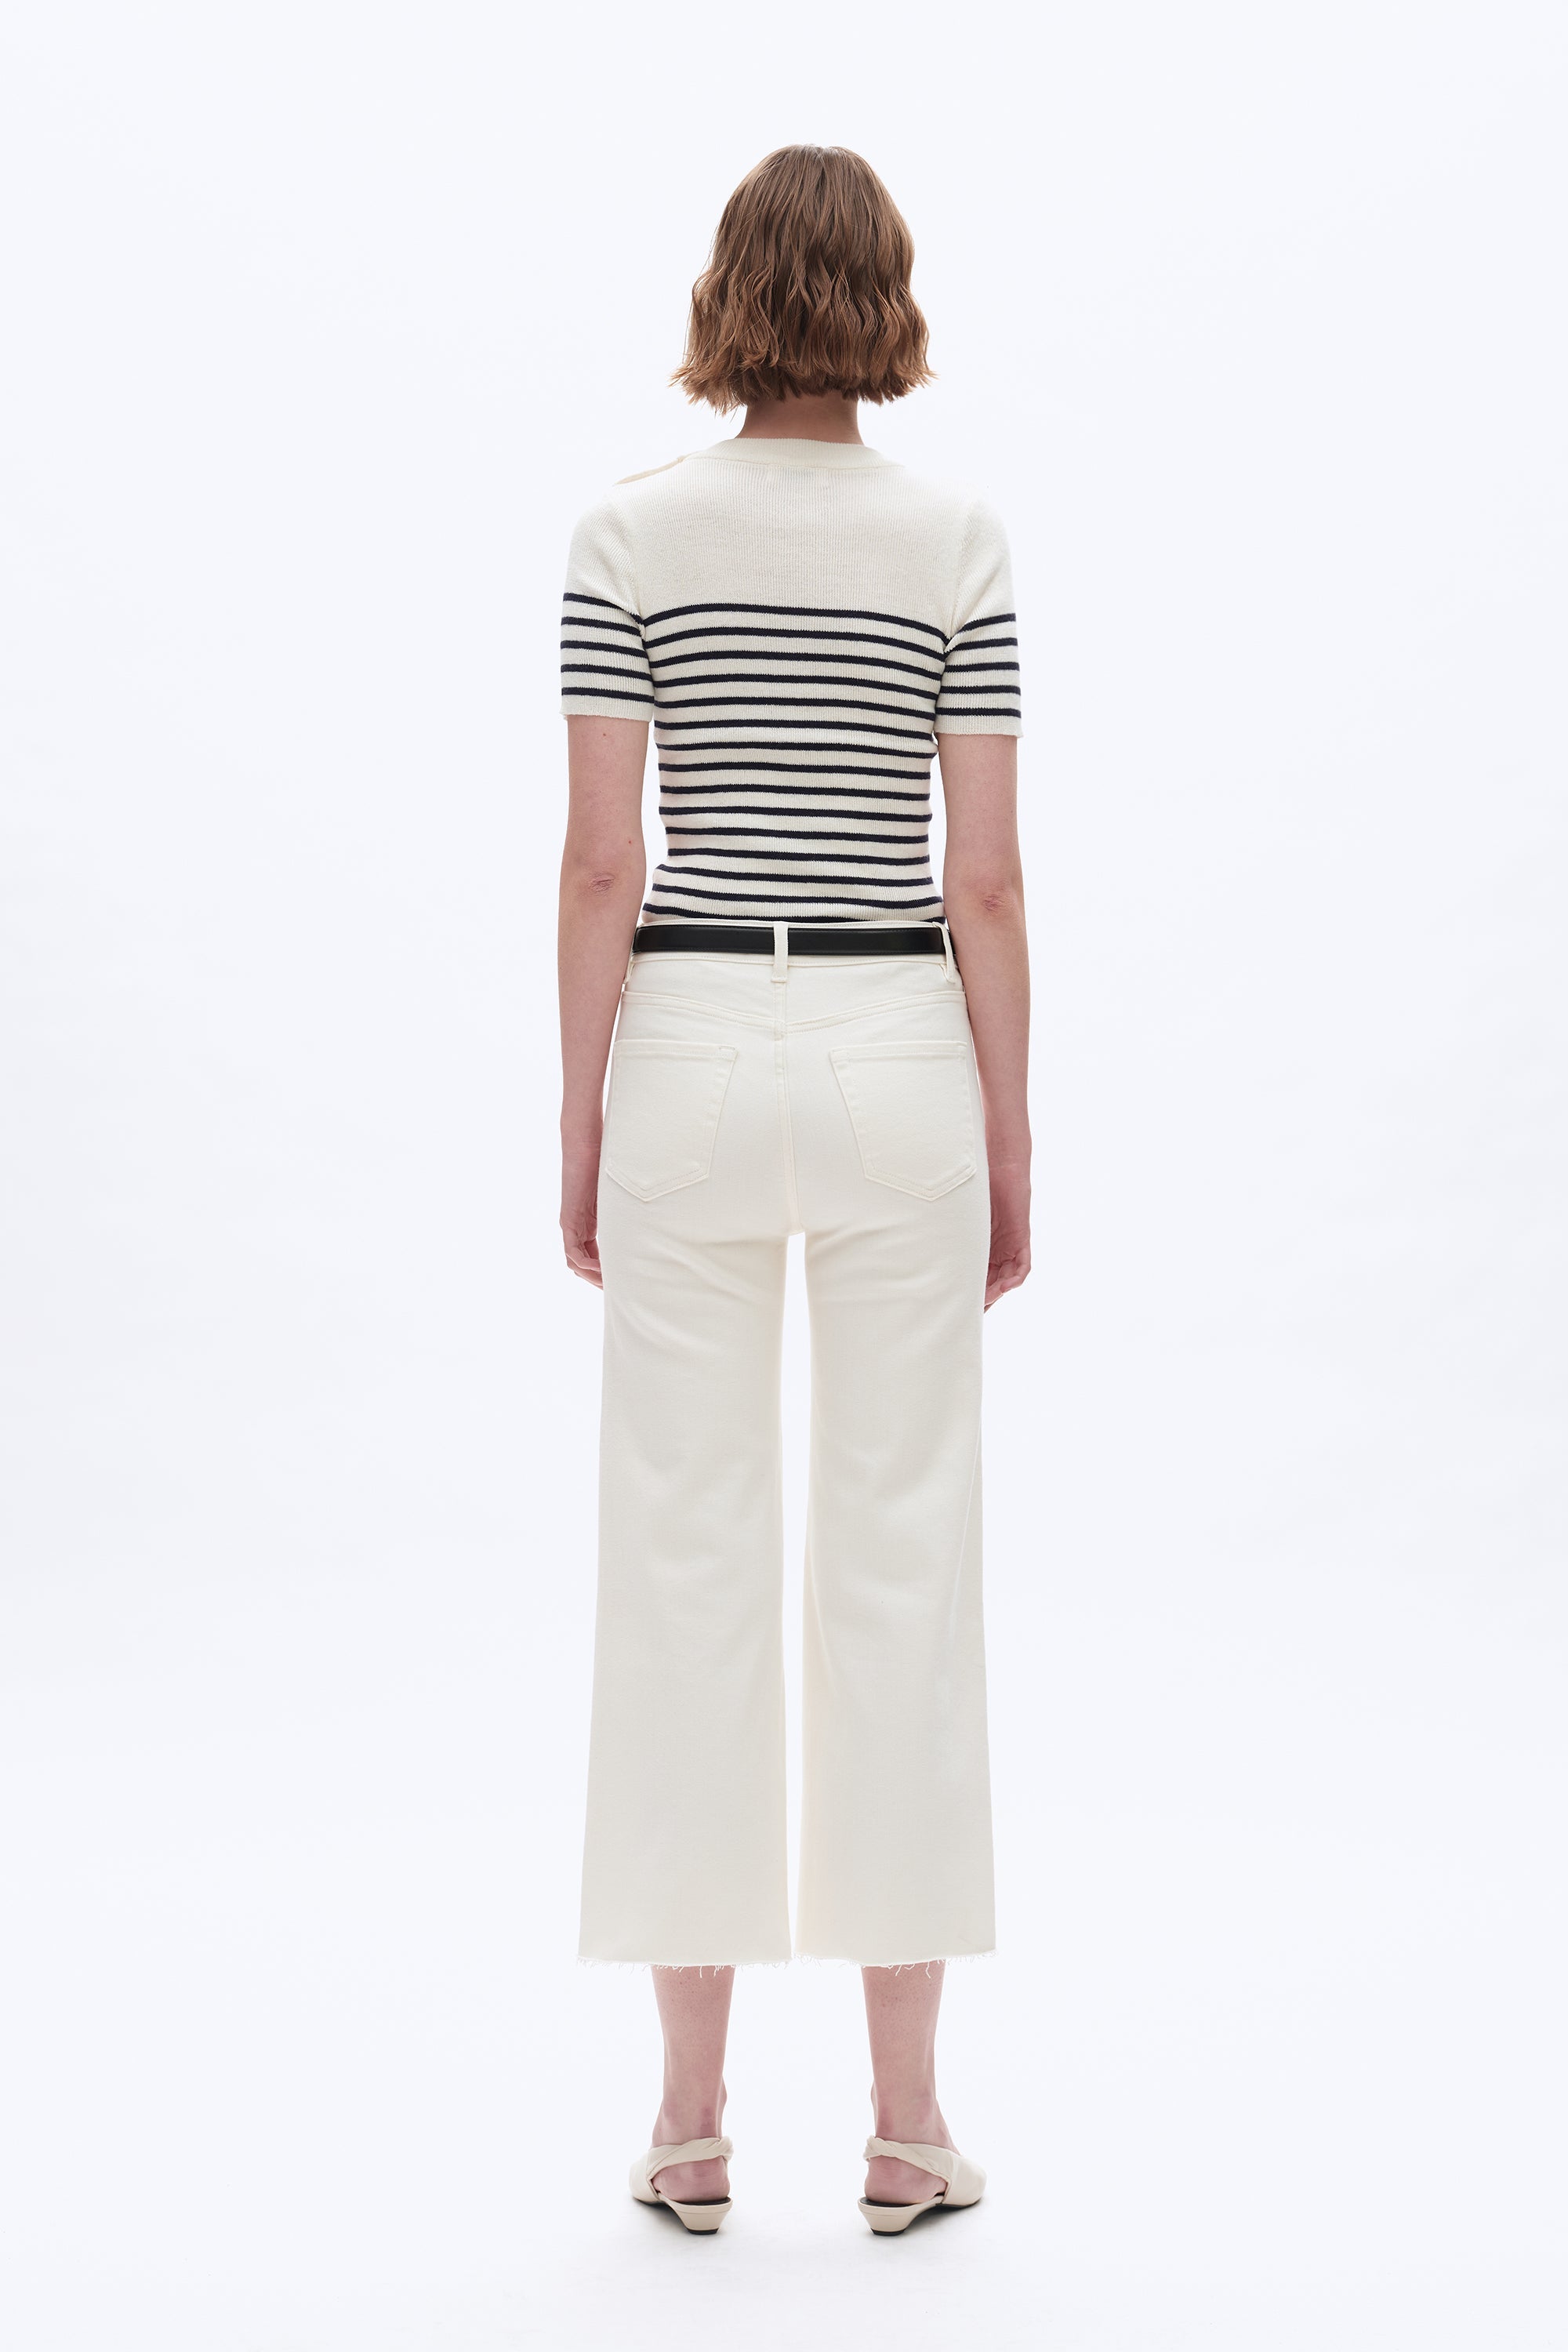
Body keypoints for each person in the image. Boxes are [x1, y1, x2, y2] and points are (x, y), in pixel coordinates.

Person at [556, 144, 1029, 2234]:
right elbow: (983, 880)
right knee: (901, 1560)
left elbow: (604, 859)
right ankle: (909, 2127)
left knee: (685, 1558)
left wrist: (583, 1116)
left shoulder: (630, 535)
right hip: (900, 1046)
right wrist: (1011, 1136)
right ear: (886, 301)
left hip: (687, 1045)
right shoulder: (956, 542)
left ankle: (688, 2124)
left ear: (730, 293)